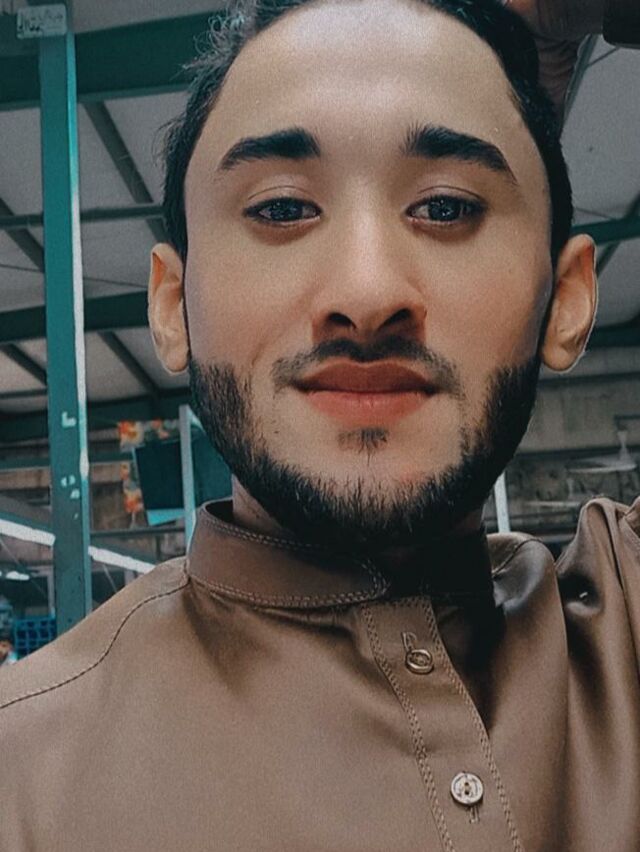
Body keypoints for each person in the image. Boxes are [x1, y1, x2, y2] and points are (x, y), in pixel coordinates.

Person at [1, 0, 639, 849]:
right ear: (172, 306)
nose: (366, 294)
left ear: (565, 300)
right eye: (281, 210)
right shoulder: (21, 776)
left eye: (447, 207)